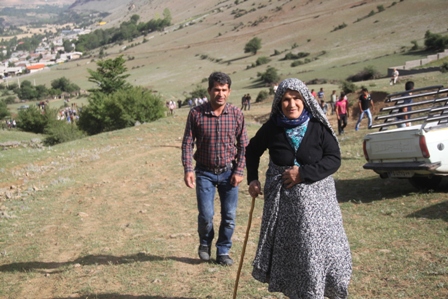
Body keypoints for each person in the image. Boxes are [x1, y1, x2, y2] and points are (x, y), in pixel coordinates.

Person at [245, 78, 352, 299]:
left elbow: (334, 159)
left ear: (305, 100)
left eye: (296, 98)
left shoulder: (317, 127)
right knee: (295, 255)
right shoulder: (272, 127)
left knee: (317, 251)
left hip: (318, 208)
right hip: (285, 210)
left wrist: (302, 174)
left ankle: (318, 290)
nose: (291, 104)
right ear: (278, 102)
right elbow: (252, 151)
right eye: (285, 99)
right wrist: (253, 179)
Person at [181, 71, 248, 266]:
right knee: (206, 215)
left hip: (229, 172)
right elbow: (187, 143)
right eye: (217, 90)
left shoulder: (236, 114)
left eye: (224, 90)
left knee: (229, 216)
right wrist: (188, 169)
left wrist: (239, 171)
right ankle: (204, 243)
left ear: (229, 91)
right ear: (209, 91)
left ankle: (223, 251)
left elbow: (244, 145)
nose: (221, 94)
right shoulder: (196, 114)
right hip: (204, 173)